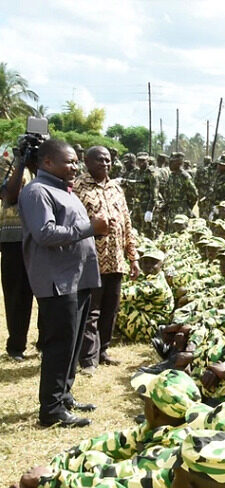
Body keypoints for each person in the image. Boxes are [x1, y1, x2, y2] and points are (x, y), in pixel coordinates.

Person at [17, 139, 107, 428]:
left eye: (76, 161)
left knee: (73, 342)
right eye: (69, 161)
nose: (75, 165)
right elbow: (45, 234)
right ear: (47, 162)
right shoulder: (37, 191)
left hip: (77, 278)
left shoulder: (62, 189)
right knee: (59, 345)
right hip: (57, 280)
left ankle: (64, 395)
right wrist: (91, 227)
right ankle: (51, 410)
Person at [72, 146, 139, 374]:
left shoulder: (115, 187)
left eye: (108, 160)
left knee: (111, 308)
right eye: (100, 160)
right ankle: (88, 358)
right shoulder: (78, 187)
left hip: (116, 260)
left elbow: (127, 223)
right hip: (90, 260)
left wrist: (133, 257)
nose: (105, 164)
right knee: (91, 310)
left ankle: (103, 351)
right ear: (87, 162)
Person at [0, 134, 38, 361]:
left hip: (42, 238)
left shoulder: (49, 165)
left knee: (48, 294)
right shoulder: (11, 167)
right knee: (16, 295)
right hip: (14, 239)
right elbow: (10, 196)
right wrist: (21, 161)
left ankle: (45, 343)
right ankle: (16, 346)